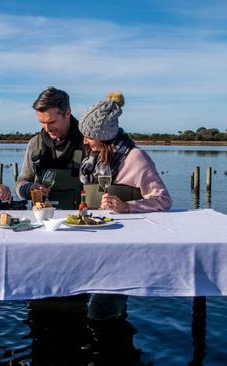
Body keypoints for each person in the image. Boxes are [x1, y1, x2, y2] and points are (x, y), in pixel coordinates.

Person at [78, 90, 172, 322]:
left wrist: (128, 207)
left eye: (89, 135)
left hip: (122, 252)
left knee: (100, 312)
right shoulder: (94, 160)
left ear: (104, 135)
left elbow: (163, 200)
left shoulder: (136, 158)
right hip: (94, 247)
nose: (85, 141)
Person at [15, 86, 85, 209]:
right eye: (42, 122)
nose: (47, 128)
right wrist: (29, 188)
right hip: (41, 222)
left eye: (52, 122)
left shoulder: (87, 143)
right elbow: (21, 181)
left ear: (68, 113)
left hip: (79, 222)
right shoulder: (34, 144)